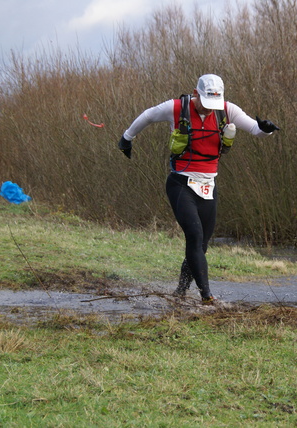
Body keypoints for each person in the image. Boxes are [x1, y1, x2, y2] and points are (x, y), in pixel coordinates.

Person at [117, 74, 279, 304]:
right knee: (194, 236)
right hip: (181, 183)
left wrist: (267, 129)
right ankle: (207, 297)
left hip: (209, 186)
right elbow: (148, 116)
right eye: (205, 103)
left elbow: (256, 130)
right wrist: (127, 138)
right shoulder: (175, 108)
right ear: (195, 93)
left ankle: (180, 293)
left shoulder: (227, 110)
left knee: (201, 246)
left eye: (213, 104)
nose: (208, 109)